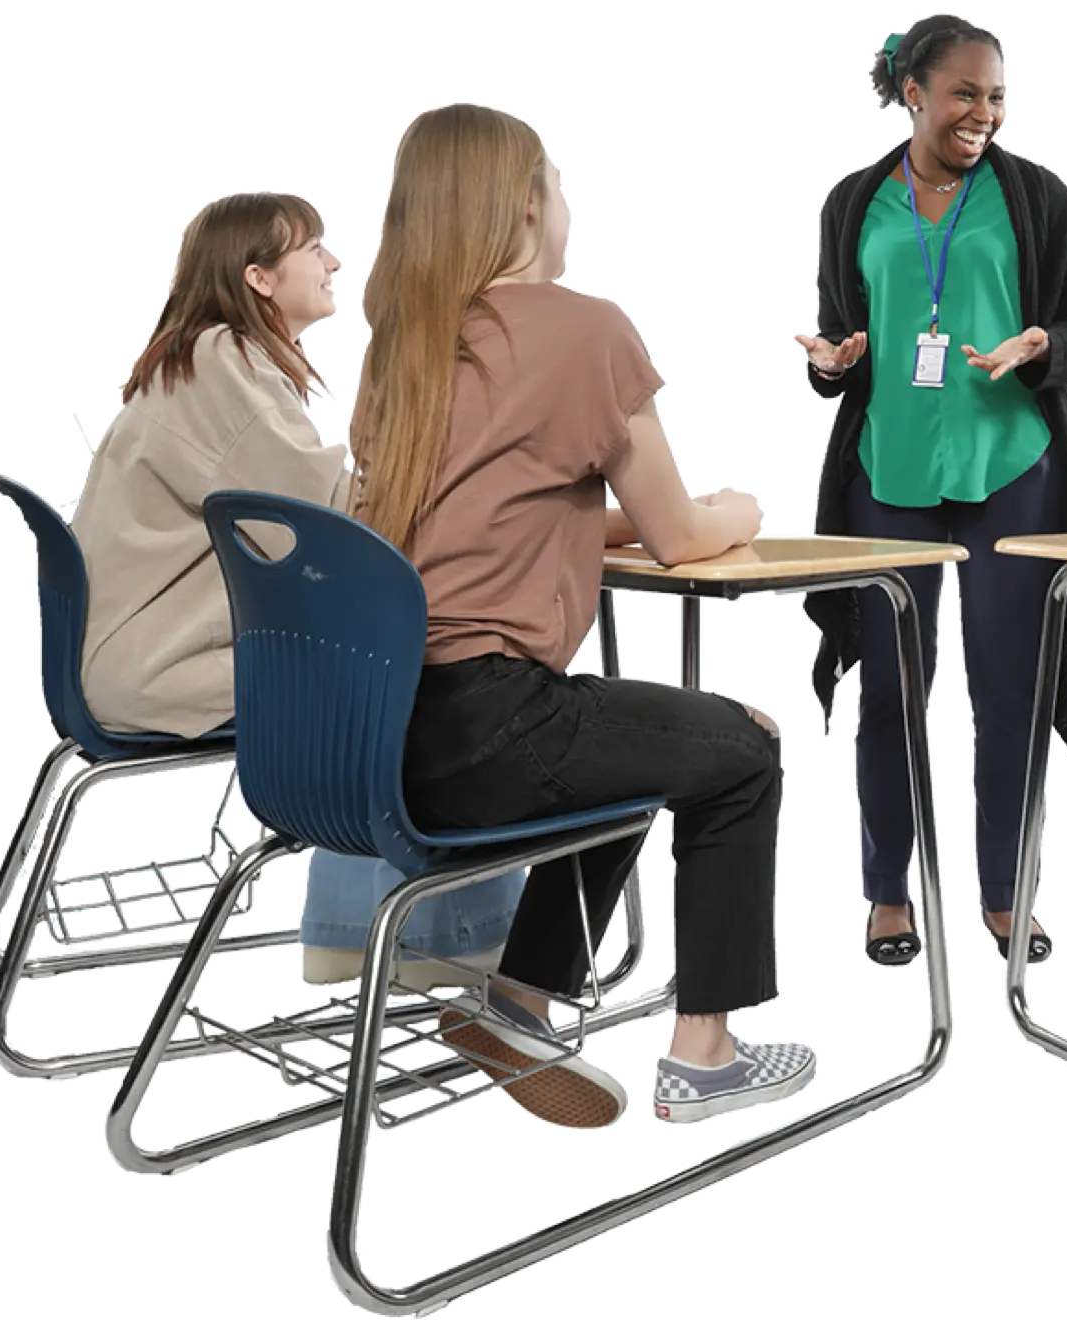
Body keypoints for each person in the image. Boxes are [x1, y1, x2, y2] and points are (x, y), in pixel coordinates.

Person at [348, 104, 818, 1133]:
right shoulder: (586, 328)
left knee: (642, 744)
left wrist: (591, 529)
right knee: (737, 748)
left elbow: (477, 509)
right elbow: (683, 532)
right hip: (498, 719)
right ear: (526, 199)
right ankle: (705, 1058)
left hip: (387, 728)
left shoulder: (404, 343)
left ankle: (514, 1006)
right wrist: (742, 508)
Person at [68, 191, 529, 999]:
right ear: (259, 279)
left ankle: (375, 938)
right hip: (156, 664)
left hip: (143, 650)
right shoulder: (222, 360)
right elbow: (335, 513)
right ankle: (448, 950)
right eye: (312, 249)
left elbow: (313, 505)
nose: (333, 260)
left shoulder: (204, 354)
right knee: (434, 680)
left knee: (392, 668)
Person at [794, 15, 1067, 969]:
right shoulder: (853, 204)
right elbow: (846, 338)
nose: (983, 114)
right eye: (965, 94)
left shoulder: (1036, 198)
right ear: (914, 95)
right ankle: (889, 894)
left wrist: (1045, 347)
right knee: (891, 690)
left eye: (997, 96)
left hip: (1011, 474)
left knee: (1010, 691)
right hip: (888, 478)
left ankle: (1010, 898)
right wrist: (831, 362)